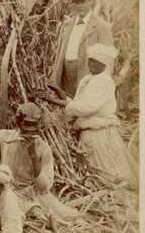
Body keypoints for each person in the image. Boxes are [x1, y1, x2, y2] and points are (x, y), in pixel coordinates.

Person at [47, 44, 138, 184]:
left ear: (104, 64)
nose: (91, 64)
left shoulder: (104, 81)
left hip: (100, 135)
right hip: (88, 133)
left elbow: (86, 108)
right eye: (90, 60)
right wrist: (58, 90)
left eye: (96, 62)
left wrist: (52, 100)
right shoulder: (88, 79)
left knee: (108, 176)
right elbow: (77, 103)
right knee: (93, 174)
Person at [0, 102, 78, 220]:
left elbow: (44, 188)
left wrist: (33, 155)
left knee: (67, 215)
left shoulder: (44, 148)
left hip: (33, 193)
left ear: (40, 125)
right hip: (5, 190)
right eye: (27, 124)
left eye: (34, 125)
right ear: (17, 122)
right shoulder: (2, 137)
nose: (31, 130)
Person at [51, 0, 113, 97]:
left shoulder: (101, 26)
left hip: (87, 75)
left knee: (84, 107)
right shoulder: (66, 24)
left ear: (91, 2)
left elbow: (108, 60)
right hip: (66, 75)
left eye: (83, 2)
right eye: (76, 2)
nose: (79, 6)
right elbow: (59, 53)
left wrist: (103, 88)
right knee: (67, 107)